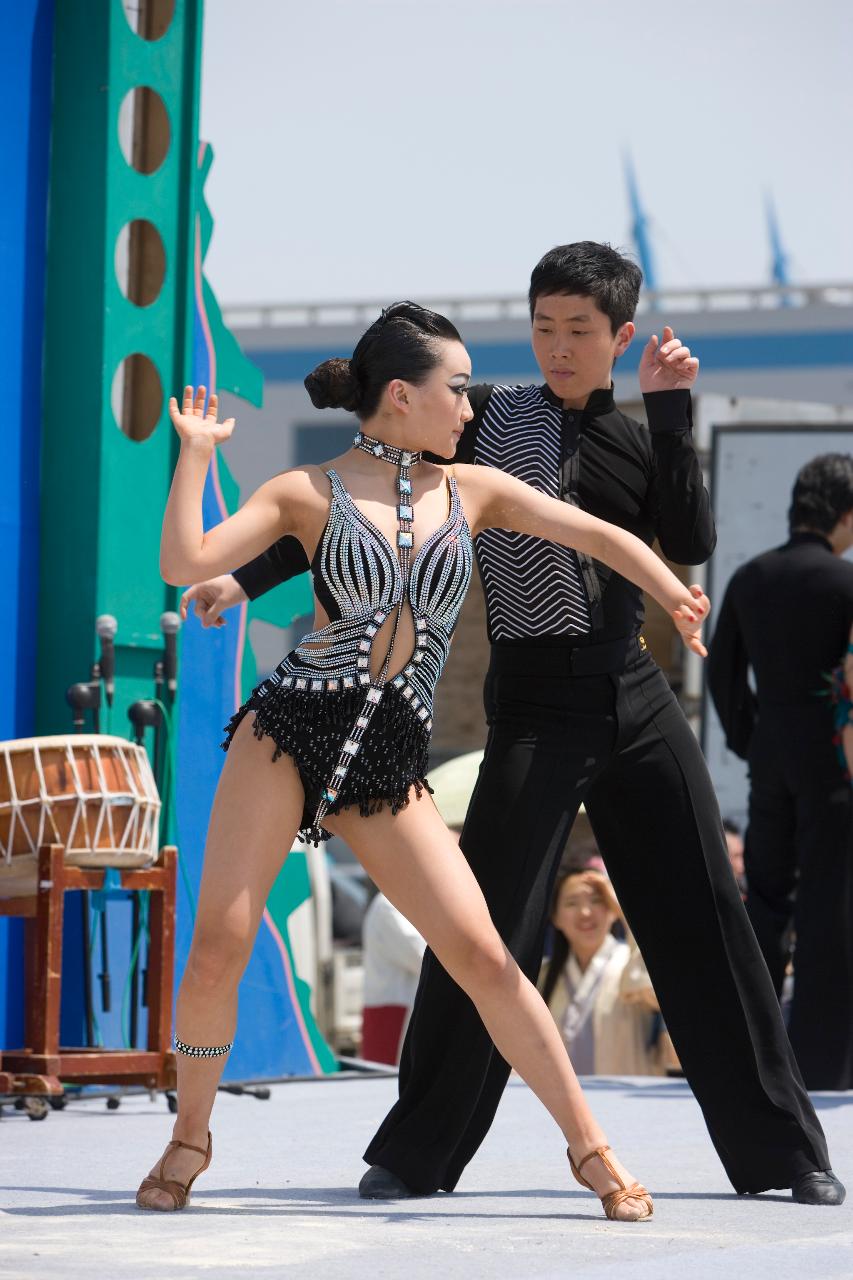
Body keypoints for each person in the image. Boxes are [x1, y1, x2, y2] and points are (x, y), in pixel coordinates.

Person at [185, 244, 843, 1206]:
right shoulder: (478, 415)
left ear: (619, 336)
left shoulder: (635, 430)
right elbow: (363, 518)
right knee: (485, 925)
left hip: (633, 687)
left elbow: (689, 541)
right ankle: (417, 1152)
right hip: (534, 699)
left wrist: (671, 411)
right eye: (542, 327)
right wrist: (240, 580)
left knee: (707, 910)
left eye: (579, 331)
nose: (557, 347)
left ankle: (787, 1156)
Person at [136, 301, 713, 1220]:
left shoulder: (474, 490)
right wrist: (198, 454)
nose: (468, 405)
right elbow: (184, 560)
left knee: (484, 955)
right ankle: (189, 1137)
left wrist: (671, 592)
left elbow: (596, 534)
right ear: (401, 396)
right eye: (455, 388)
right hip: (290, 732)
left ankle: (591, 1150)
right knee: (216, 953)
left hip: (388, 756)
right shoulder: (305, 491)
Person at [707, 453, 853, 1092]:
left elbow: (721, 671)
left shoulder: (751, 577)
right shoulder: (845, 584)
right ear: (844, 515)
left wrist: (750, 740)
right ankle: (824, 1064)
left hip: (770, 755)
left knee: (764, 899)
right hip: (833, 762)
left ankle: (754, 1060)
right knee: (830, 903)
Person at [540, 863, 664, 1076]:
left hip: (627, 1104)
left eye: (597, 900)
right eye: (571, 903)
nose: (585, 912)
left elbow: (657, 989)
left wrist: (622, 907)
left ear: (613, 910)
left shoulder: (631, 963)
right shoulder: (542, 975)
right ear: (555, 917)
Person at [361, 892, 426, 1065]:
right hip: (394, 1013)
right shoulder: (389, 905)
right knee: (389, 1083)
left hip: (400, 1010)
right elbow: (422, 956)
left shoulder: (403, 902)